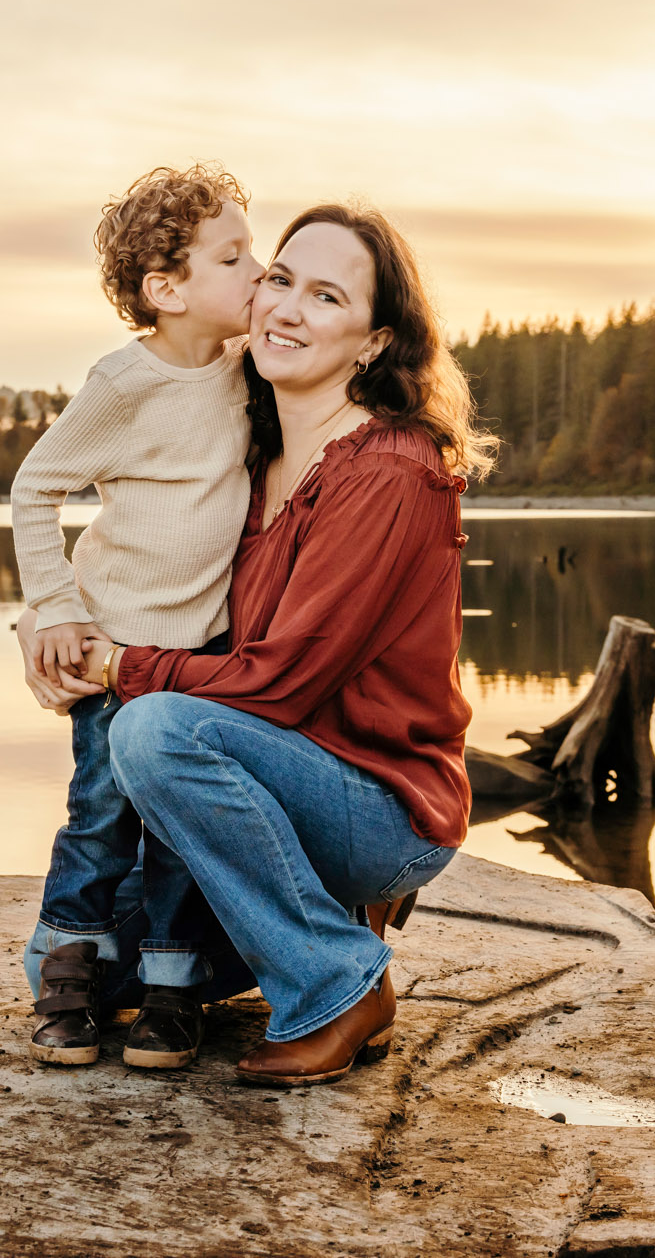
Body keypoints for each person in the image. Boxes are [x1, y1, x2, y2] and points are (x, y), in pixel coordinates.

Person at [66, 202, 495, 1086]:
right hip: (287, 774)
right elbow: (150, 572)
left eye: (328, 296)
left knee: (151, 733)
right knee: (111, 973)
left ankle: (339, 984)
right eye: (282, 280)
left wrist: (121, 670)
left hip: (381, 804)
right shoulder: (248, 458)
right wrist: (54, 625)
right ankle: (327, 925)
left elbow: (280, 684)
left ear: (374, 342)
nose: (289, 309)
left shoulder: (389, 469)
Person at [8, 162, 260, 1069]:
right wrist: (55, 607)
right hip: (114, 644)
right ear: (166, 289)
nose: (257, 271)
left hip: (199, 656)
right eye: (233, 258)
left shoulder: (247, 366)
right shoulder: (123, 384)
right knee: (103, 815)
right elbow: (35, 488)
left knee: (181, 826)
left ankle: (169, 993)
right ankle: (68, 981)